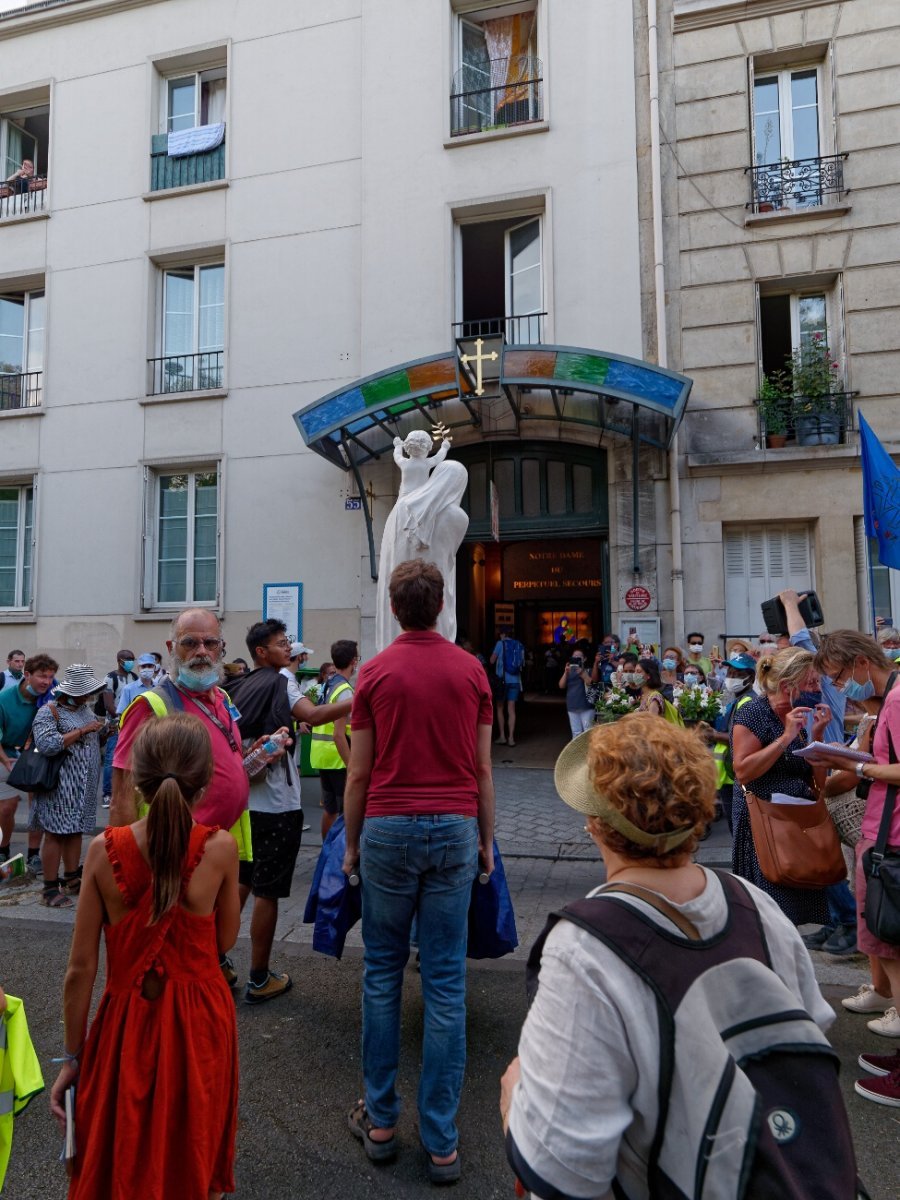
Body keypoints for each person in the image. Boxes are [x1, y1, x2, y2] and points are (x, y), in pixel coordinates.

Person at [500, 715, 854, 1200]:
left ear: (597, 825)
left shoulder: (583, 947)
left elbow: (563, 1167)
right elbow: (812, 1026)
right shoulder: (754, 904)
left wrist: (514, 1100)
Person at [342, 560, 494, 1184]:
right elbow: (484, 770)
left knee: (381, 972)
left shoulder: (375, 672)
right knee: (445, 980)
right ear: (441, 605)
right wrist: (487, 842)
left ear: (396, 608)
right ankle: (441, 1140)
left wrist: (350, 846)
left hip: (387, 827)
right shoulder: (471, 670)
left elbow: (358, 773)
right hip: (455, 825)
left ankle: (380, 1122)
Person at [49, 713, 240, 1200]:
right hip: (201, 1020)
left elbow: (80, 971)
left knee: (122, 1151)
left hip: (127, 1022)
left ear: (137, 778)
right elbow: (224, 941)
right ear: (206, 780)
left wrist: (73, 1057)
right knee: (194, 1145)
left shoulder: (100, 850)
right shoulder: (220, 848)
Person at [227, 619, 352, 1001]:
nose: (289, 648)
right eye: (281, 643)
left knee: (241, 882)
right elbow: (312, 716)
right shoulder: (281, 679)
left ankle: (215, 959)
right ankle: (260, 978)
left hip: (242, 801)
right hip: (275, 803)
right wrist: (368, 696)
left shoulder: (238, 684)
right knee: (267, 892)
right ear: (262, 651)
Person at [808, 631, 900, 1095]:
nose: (842, 686)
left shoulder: (898, 699)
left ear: (863, 662)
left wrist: (861, 768)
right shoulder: (887, 699)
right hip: (884, 832)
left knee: (892, 942)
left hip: (894, 836)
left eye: (842, 676)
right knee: (884, 940)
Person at [777, 590, 858, 958]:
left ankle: (852, 924)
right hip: (811, 779)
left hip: (834, 781)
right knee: (819, 855)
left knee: (830, 857)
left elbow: (800, 639)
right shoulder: (798, 694)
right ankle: (837, 918)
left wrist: (792, 606)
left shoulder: (827, 684)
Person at [730, 647, 831, 926]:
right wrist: (786, 738)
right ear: (787, 686)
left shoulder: (796, 718)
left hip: (795, 826)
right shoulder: (753, 713)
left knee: (793, 918)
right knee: (771, 915)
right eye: (811, 683)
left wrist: (817, 737)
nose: (817, 689)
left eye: (818, 682)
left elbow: (815, 783)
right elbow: (743, 771)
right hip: (765, 828)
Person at [375, 428, 468, 649]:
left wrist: (398, 446)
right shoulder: (456, 516)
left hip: (399, 625)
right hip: (432, 611)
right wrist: (444, 446)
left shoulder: (399, 510)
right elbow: (446, 560)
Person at [30, 665, 106, 908]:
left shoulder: (86, 710)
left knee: (74, 831)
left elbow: (90, 741)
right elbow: (47, 744)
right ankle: (49, 889)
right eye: (84, 692)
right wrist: (83, 730)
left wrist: (103, 732)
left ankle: (71, 879)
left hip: (83, 787)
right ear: (69, 691)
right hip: (59, 786)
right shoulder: (48, 712)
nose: (87, 696)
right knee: (55, 834)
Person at [0, 652, 58, 870]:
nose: (47, 681)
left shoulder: (53, 694)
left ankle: (34, 854)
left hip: (37, 752)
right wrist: (6, 761)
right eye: (42, 676)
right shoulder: (4, 700)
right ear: (27, 675)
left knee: (38, 807)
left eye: (50, 676)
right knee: (7, 807)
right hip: (7, 752)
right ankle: (3, 849)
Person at [309, 639, 358, 837]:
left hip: (322, 755)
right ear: (354, 661)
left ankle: (327, 851)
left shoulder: (328, 683)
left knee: (330, 809)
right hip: (338, 757)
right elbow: (339, 734)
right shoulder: (345, 690)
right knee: (346, 812)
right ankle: (339, 855)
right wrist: (352, 766)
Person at [711, 653, 757, 831]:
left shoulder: (749, 702)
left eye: (736, 674)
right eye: (729, 673)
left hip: (738, 777)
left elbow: (743, 739)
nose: (731, 678)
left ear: (750, 677)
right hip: (729, 776)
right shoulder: (734, 700)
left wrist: (714, 735)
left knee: (741, 830)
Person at [98, 650, 137, 809]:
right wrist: (123, 716)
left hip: (132, 724)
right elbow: (109, 705)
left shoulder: (134, 677)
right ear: (119, 660)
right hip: (115, 725)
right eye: (128, 659)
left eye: (132, 659)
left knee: (131, 759)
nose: (131, 662)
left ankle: (127, 792)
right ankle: (107, 793)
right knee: (111, 759)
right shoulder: (110, 678)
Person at [491, 628, 525, 747]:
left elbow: (491, 660)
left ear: (503, 634)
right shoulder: (518, 644)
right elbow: (521, 663)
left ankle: (502, 736)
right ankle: (511, 738)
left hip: (502, 681)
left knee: (499, 708)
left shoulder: (500, 644)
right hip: (515, 681)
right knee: (512, 710)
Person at [559, 650, 594, 739]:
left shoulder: (588, 670)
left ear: (584, 659)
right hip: (572, 706)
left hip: (586, 706)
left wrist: (582, 673)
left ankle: (589, 752)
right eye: (574, 657)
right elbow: (561, 685)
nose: (576, 658)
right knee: (576, 732)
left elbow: (591, 683)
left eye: (579, 657)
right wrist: (566, 673)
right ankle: (577, 752)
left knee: (588, 731)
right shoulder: (568, 672)